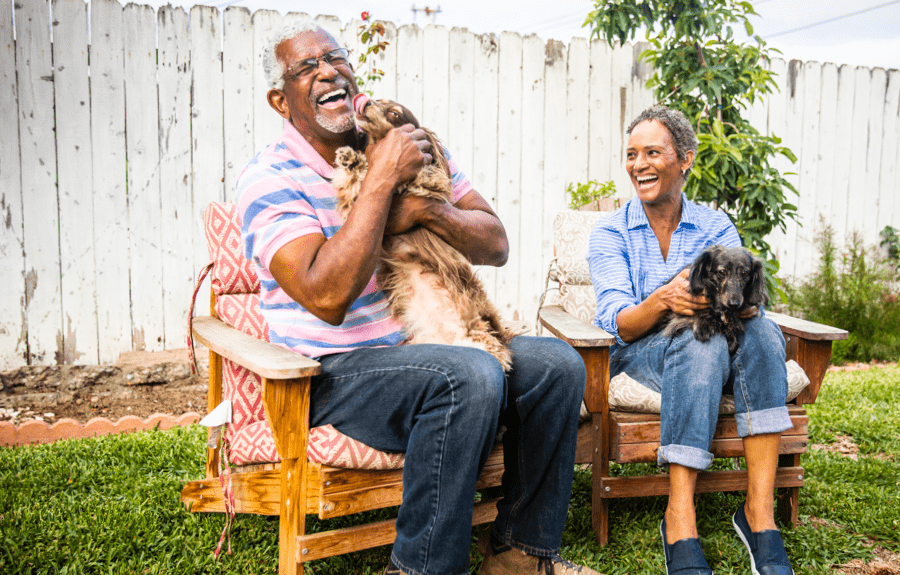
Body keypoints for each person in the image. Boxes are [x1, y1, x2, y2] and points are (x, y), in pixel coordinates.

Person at [236, 19, 603, 575]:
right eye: (305, 68)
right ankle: (420, 568)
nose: (328, 71)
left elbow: (495, 242)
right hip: (332, 374)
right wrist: (381, 185)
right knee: (467, 374)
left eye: (335, 59)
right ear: (280, 101)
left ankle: (519, 556)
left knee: (556, 365)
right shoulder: (269, 179)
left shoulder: (406, 146)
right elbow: (326, 294)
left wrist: (428, 209)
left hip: (434, 342)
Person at [587, 105, 795, 575]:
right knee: (701, 341)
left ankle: (759, 513)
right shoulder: (610, 233)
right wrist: (663, 300)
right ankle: (679, 514)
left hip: (722, 341)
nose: (639, 164)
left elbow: (746, 301)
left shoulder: (715, 226)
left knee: (761, 331)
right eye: (632, 154)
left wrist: (739, 301)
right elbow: (618, 323)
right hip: (642, 352)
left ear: (685, 160)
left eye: (653, 152)